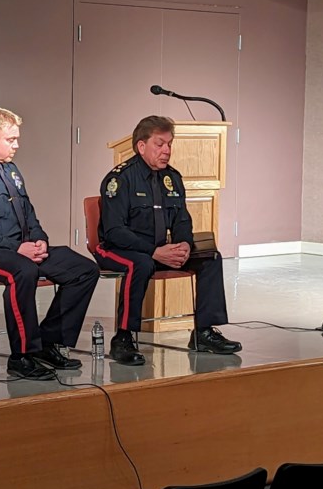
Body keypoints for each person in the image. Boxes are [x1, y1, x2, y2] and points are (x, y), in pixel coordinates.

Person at [0, 106, 100, 380]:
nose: (17, 145)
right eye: (11, 139)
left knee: (83, 269)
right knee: (22, 271)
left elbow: (28, 214)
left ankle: (48, 343)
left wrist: (39, 241)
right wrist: (16, 248)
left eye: (16, 139)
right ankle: (22, 356)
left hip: (19, 249)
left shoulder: (10, 171)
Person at [94, 116, 242, 366]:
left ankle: (203, 333)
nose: (167, 151)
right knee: (140, 264)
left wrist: (184, 244)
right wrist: (154, 252)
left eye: (169, 144)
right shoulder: (120, 179)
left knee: (210, 258)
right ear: (141, 146)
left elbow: (182, 220)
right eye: (159, 144)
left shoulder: (172, 178)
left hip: (160, 249)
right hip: (120, 248)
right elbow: (114, 231)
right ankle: (123, 337)